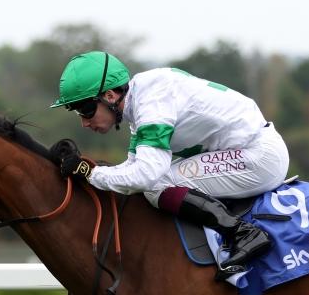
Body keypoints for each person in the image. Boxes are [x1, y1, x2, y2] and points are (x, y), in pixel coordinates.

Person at [50, 51, 290, 273]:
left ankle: (243, 233)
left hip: (258, 157)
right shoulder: (141, 99)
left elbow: (145, 177)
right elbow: (132, 167)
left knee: (157, 185)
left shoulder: (152, 104)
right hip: (246, 150)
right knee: (155, 182)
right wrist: (89, 169)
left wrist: (91, 174)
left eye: (86, 110)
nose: (84, 122)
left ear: (110, 95)